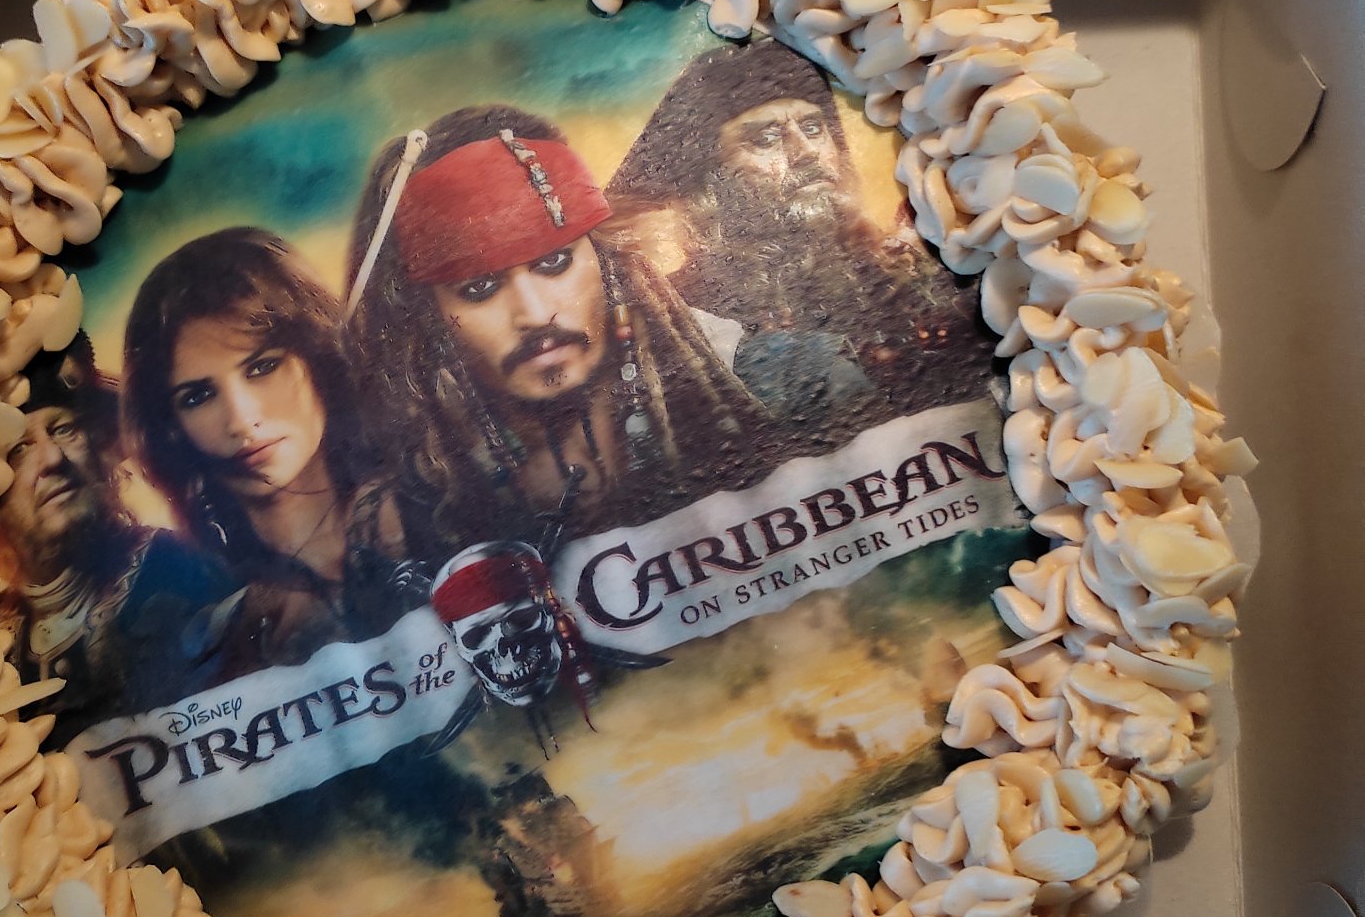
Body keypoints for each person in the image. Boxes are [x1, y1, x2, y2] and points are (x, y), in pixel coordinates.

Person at [344, 104, 771, 565]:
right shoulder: (412, 512)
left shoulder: (775, 383)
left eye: (553, 262)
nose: (534, 314)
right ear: (430, 319)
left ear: (607, 263)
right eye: (479, 288)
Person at [608, 38, 992, 438]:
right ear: (708, 182)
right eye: (767, 139)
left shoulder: (905, 269)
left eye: (813, 128)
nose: (806, 152)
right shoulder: (682, 315)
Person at [121, 227, 405, 669]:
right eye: (198, 396)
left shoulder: (431, 507)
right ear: (171, 428)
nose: (241, 420)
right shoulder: (199, 616)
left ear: (319, 357)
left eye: (262, 367)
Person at [0, 333, 236, 746]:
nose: (52, 458)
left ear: (100, 449)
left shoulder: (182, 566)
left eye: (63, 429)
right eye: (19, 449)